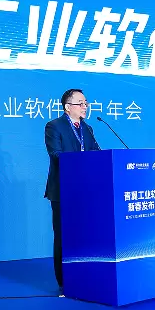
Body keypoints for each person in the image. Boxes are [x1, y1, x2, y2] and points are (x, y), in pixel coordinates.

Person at [44, 88, 100, 291]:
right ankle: (64, 282)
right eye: (80, 103)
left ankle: (84, 275)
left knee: (84, 234)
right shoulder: (54, 126)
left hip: (85, 192)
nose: (85, 107)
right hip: (63, 191)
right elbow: (56, 154)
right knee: (63, 236)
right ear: (68, 107)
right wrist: (81, 161)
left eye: (86, 103)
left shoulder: (88, 128)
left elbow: (97, 154)